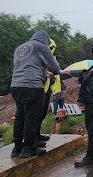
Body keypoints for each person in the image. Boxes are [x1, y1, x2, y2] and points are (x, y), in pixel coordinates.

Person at [10, 30, 60, 158]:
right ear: (45, 41)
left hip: (16, 85)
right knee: (31, 117)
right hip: (32, 86)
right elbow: (54, 68)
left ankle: (17, 148)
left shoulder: (20, 48)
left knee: (20, 116)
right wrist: (49, 71)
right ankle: (28, 148)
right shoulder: (41, 47)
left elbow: (23, 66)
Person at [36, 39, 61, 144]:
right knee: (35, 115)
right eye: (49, 48)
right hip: (37, 89)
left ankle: (37, 134)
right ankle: (32, 138)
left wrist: (52, 79)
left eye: (52, 48)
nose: (51, 50)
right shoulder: (38, 57)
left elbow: (56, 75)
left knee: (42, 114)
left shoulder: (52, 59)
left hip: (47, 89)